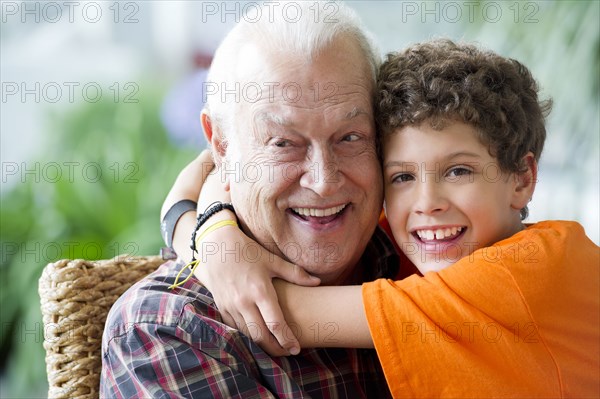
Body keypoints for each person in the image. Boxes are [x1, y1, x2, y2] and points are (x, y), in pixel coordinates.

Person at [168, 40, 600, 397]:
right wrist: (211, 227)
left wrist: (214, 247)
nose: (426, 202)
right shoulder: (413, 236)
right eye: (402, 176)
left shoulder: (528, 272)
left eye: (458, 171)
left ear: (522, 178)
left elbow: (265, 306)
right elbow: (212, 162)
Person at [101, 2, 406, 397]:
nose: (324, 181)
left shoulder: (428, 257)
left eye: (350, 137)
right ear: (222, 147)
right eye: (283, 143)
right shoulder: (168, 332)